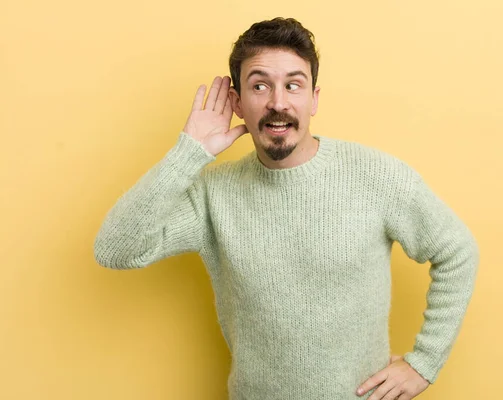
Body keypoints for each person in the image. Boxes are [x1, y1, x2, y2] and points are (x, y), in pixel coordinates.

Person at [94, 17, 479, 400]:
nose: (278, 103)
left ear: (313, 98)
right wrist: (189, 152)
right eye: (259, 85)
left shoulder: (376, 175)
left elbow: (456, 250)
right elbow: (115, 250)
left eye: (293, 85)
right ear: (238, 103)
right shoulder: (214, 194)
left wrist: (424, 363)